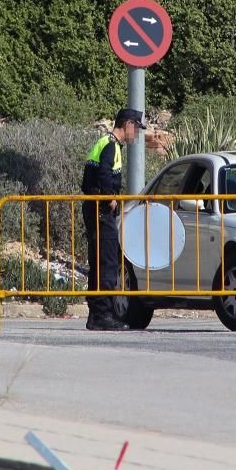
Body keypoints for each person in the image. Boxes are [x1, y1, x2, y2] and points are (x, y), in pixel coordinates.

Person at [81, 108, 146, 331]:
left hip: (94, 210)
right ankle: (103, 315)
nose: (136, 134)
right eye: (136, 128)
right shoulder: (111, 145)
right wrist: (110, 198)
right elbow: (104, 175)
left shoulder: (106, 143)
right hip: (101, 211)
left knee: (99, 261)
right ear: (127, 124)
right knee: (107, 262)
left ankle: (96, 315)